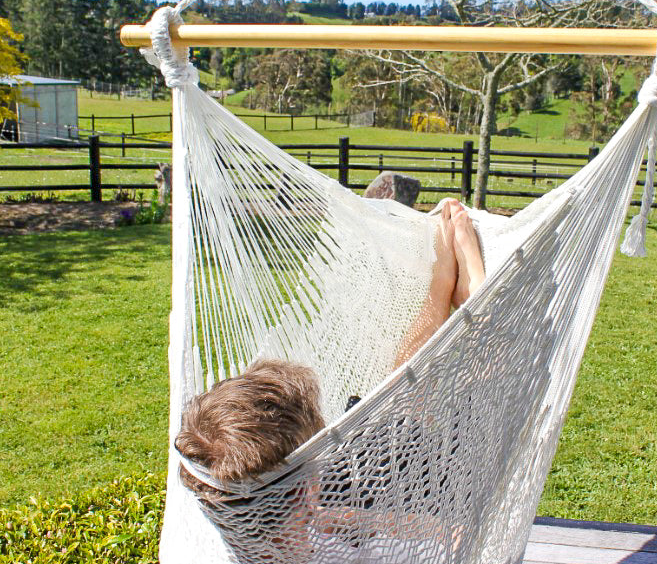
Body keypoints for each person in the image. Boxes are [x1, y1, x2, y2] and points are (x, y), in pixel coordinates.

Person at [175, 199, 485, 502]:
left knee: (398, 404)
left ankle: (442, 286)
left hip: (354, 478)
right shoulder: (358, 507)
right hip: (419, 485)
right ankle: (477, 305)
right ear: (308, 483)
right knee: (416, 408)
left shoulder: (221, 501)